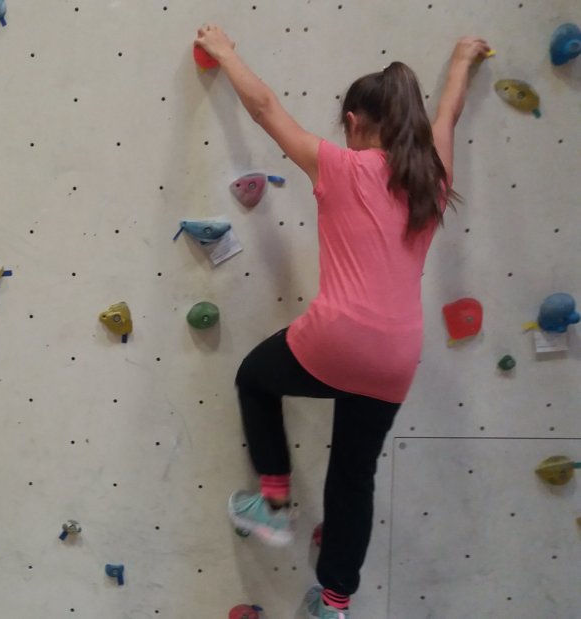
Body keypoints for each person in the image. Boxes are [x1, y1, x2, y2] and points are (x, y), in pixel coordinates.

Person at [194, 25, 489, 619]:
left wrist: (225, 52)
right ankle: (334, 604)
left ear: (353, 122)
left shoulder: (340, 166)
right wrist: (463, 58)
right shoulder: (432, 179)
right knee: (354, 475)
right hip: (396, 357)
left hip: (336, 338)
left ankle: (273, 503)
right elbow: (449, 116)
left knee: (254, 377)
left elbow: (264, 108)